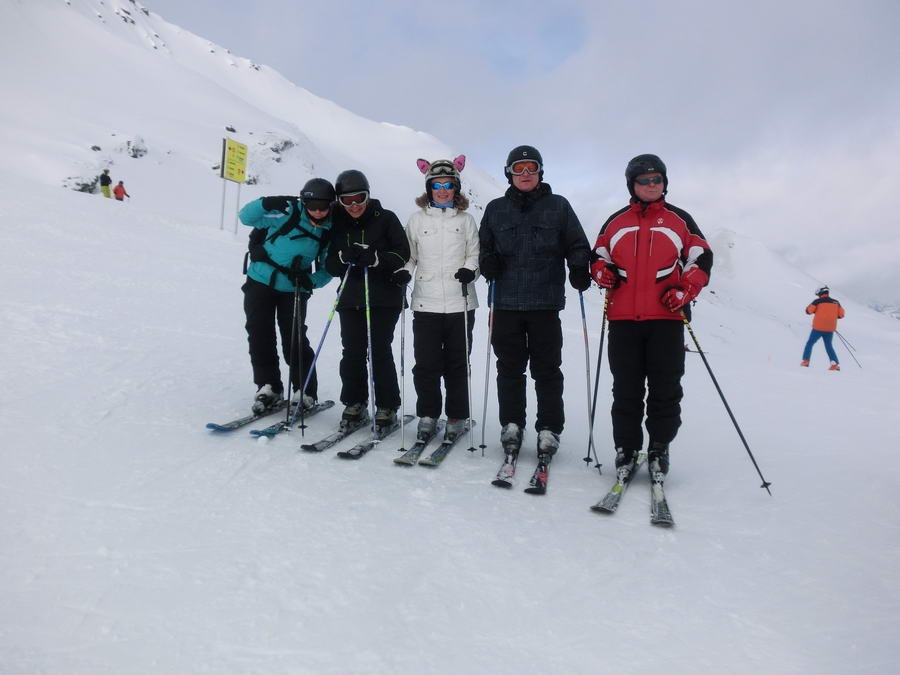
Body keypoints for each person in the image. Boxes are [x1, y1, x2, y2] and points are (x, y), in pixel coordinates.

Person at [590, 153, 713, 481]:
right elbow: (598, 256)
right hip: (623, 320)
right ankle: (626, 450)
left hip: (666, 319)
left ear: (664, 183)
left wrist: (685, 290)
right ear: (632, 184)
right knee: (626, 390)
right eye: (644, 180)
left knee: (665, 388)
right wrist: (602, 273)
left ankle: (659, 448)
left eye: (656, 179)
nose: (651, 185)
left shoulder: (679, 220)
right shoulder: (616, 222)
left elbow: (700, 258)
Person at [478, 145, 592, 464]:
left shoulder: (558, 206)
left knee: (547, 370)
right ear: (509, 174)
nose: (525, 175)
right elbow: (483, 245)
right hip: (506, 303)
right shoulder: (495, 209)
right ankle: (512, 424)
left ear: (540, 172)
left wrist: (580, 267)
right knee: (509, 369)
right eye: (519, 169)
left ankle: (549, 428)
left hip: (545, 303)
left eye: (531, 168)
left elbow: (578, 243)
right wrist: (487, 261)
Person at [396, 156, 479, 441]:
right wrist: (405, 272)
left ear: (456, 188)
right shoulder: (417, 220)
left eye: (448, 185)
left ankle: (456, 415)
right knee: (427, 363)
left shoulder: (466, 221)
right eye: (437, 185)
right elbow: (410, 256)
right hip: (426, 302)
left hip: (461, 302)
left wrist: (471, 270)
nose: (442, 190)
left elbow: (474, 254)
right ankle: (428, 415)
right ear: (429, 188)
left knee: (458, 362)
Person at [324, 169, 410, 431]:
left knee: (379, 349)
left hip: (384, 297)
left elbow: (402, 253)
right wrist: (342, 258)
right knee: (352, 352)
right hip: (350, 297)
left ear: (368, 195)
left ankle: (387, 405)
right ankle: (355, 402)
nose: (354, 206)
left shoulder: (385, 218)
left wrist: (375, 259)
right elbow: (329, 265)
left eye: (359, 198)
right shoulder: (337, 223)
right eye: (347, 200)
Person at [240, 178, 336, 413]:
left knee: (294, 339)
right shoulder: (286, 211)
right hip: (261, 280)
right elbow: (245, 217)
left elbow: (329, 267)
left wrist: (311, 280)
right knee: (259, 333)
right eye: (312, 206)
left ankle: (305, 391)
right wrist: (266, 203)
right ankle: (269, 385)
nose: (317, 212)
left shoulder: (328, 230)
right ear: (304, 202)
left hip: (295, 287)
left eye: (323, 207)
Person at [801, 286, 845, 370]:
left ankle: (806, 361)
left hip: (818, 328)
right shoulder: (836, 302)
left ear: (820, 293)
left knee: (810, 343)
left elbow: (808, 311)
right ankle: (834, 364)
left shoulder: (817, 301)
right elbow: (841, 315)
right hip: (830, 329)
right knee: (829, 346)